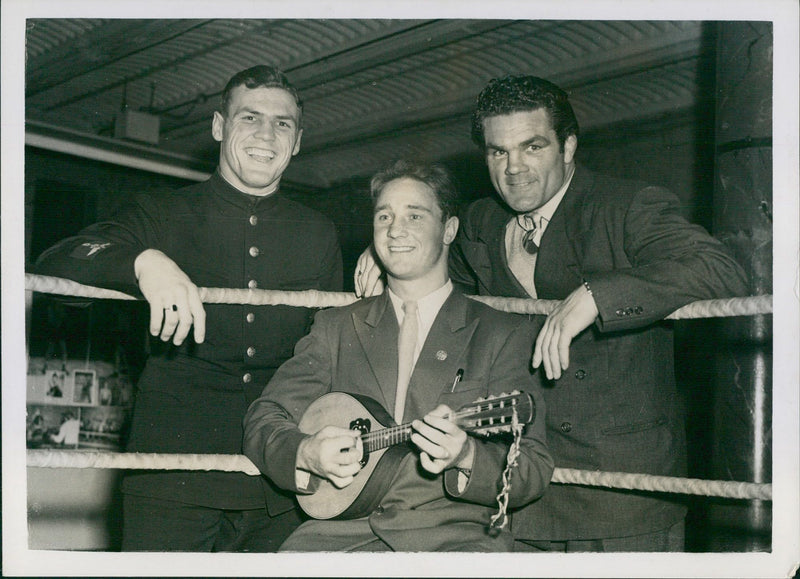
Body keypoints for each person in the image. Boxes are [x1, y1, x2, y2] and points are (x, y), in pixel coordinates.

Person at [354, 75, 749, 552]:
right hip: (518, 493)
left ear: (568, 147)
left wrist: (596, 296)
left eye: (532, 147)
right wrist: (389, 255)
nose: (513, 168)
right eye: (498, 152)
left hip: (621, 501)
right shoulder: (482, 221)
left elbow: (722, 270)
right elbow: (437, 259)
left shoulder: (625, 206)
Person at [34, 65, 343, 552]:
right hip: (171, 481)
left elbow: (330, 355)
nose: (267, 134)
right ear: (219, 127)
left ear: (298, 140)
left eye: (282, 124)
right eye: (249, 118)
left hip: (280, 488)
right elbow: (55, 264)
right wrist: (142, 261)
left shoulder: (318, 234)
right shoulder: (161, 212)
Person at [243, 160, 553, 552]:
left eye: (415, 215)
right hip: (340, 535)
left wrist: (466, 454)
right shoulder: (335, 327)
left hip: (456, 539)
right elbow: (264, 417)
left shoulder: (501, 332)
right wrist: (305, 452)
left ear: (449, 230)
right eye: (384, 215)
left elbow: (533, 466)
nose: (395, 229)